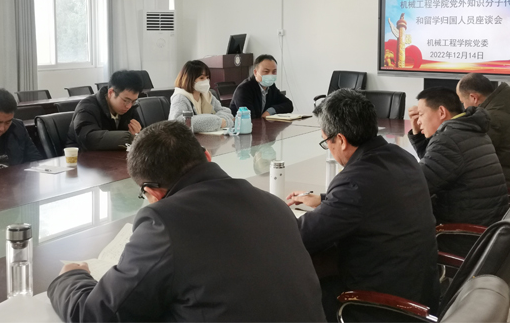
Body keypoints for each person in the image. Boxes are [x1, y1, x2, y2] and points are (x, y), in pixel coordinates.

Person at [48, 121, 325, 322]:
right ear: (207, 156)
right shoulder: (274, 205)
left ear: (152, 192)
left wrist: (71, 278)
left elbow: (98, 315)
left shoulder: (163, 223)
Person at [286, 89, 439, 322]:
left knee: (292, 295)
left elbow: (302, 237)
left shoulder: (354, 184)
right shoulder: (401, 157)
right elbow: (376, 197)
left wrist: (271, 215)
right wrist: (326, 199)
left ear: (341, 140)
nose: (329, 148)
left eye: (326, 141)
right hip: (421, 293)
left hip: (383, 307)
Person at [408, 87, 509, 228]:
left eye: (421, 114)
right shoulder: (469, 130)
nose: (418, 121)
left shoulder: (449, 140)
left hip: (464, 232)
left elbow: (414, 185)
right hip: (486, 225)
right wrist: (418, 136)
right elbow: (436, 166)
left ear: (441, 112)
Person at [456, 73, 510, 189]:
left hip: (507, 187)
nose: (464, 107)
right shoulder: (501, 111)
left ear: (474, 98)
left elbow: (470, 157)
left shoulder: (490, 119)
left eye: (463, 102)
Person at [66, 70, 143, 151]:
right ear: (110, 93)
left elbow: (141, 135)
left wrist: (139, 134)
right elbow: (89, 139)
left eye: (133, 101)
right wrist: (129, 137)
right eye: (125, 100)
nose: (129, 106)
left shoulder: (129, 108)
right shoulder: (86, 107)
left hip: (113, 155)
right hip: (81, 156)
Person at [168, 60, 234, 132]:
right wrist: (218, 122)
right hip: (188, 138)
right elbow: (177, 123)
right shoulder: (180, 98)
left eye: (207, 77)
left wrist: (222, 121)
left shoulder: (207, 95)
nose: (206, 81)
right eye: (201, 78)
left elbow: (225, 111)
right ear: (189, 79)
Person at [230, 54, 293, 119]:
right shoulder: (244, 89)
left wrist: (270, 111)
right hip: (241, 125)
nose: (270, 75)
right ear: (255, 72)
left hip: (263, 124)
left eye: (274, 72)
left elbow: (288, 105)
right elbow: (250, 118)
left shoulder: (271, 87)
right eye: (266, 71)